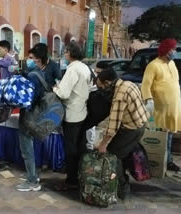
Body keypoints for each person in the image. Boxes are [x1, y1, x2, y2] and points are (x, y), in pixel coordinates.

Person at [97, 68, 148, 199]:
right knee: (122, 154)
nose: (101, 90)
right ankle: (122, 179)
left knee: (113, 156)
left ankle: (123, 188)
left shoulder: (119, 96)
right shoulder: (128, 83)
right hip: (140, 124)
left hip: (131, 130)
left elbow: (113, 126)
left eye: (101, 86)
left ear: (108, 83)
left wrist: (103, 145)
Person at [16, 43, 61, 192]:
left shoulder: (34, 75)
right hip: (36, 115)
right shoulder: (37, 72)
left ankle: (32, 180)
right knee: (29, 146)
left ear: (39, 60)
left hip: (29, 116)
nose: (28, 60)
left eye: (31, 58)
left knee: (26, 147)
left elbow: (30, 99)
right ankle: (32, 173)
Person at [52, 41, 91, 191]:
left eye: (66, 51)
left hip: (72, 113)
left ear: (71, 53)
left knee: (71, 148)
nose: (64, 53)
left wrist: (55, 88)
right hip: (82, 111)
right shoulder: (84, 67)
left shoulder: (73, 69)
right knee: (80, 146)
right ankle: (80, 176)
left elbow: (64, 93)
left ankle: (71, 180)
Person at [141, 38, 181, 172]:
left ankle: (167, 160)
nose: (174, 52)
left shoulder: (172, 64)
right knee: (162, 136)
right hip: (160, 108)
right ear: (166, 50)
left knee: (170, 134)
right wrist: (148, 99)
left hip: (173, 107)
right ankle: (162, 161)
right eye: (173, 49)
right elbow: (146, 84)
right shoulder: (154, 65)